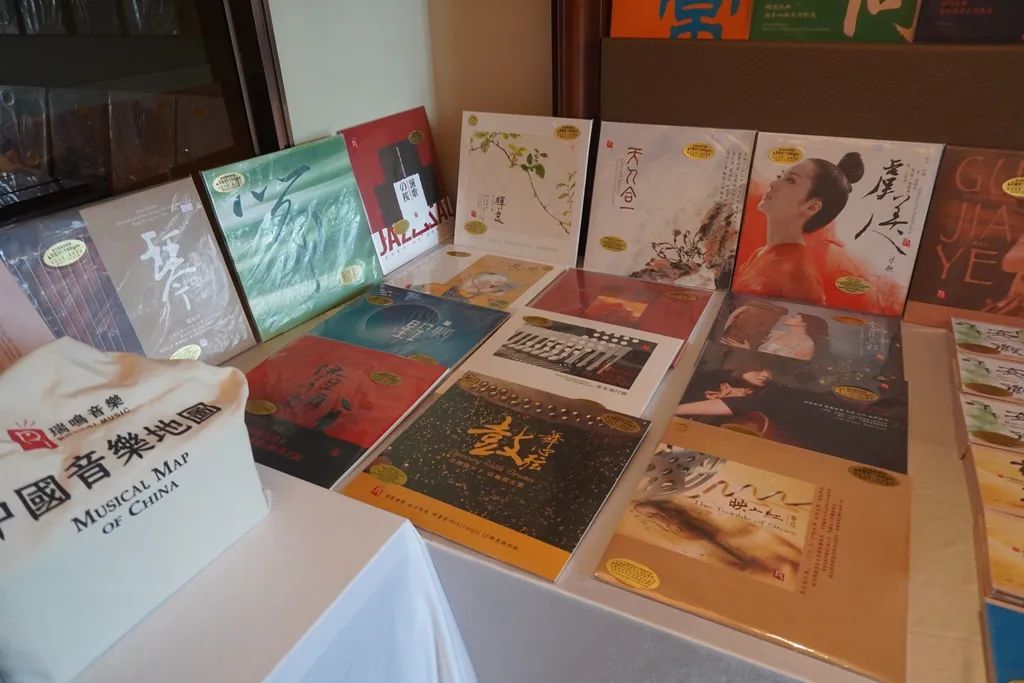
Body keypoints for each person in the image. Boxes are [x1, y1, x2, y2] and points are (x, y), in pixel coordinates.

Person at [734, 153, 865, 305]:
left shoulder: (798, 272)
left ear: (811, 207)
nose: (773, 183)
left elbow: (809, 317)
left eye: (791, 180)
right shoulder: (762, 253)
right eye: (780, 176)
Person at [723, 311, 830, 362]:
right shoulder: (775, 333)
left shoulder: (807, 345)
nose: (788, 317)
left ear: (804, 324)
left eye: (794, 317)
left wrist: (748, 352)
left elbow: (784, 369)